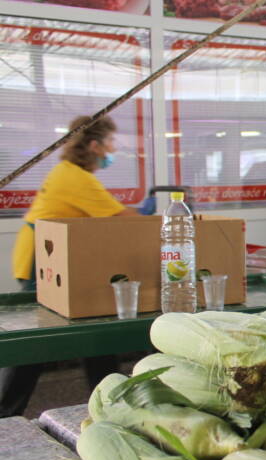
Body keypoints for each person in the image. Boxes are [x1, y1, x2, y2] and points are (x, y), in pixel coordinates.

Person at [3, 115, 154, 418]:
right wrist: (151, 215)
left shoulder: (70, 173)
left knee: (91, 327)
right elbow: (119, 218)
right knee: (39, 339)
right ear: (94, 144)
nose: (112, 149)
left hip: (57, 257)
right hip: (44, 259)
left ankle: (109, 400)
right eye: (110, 142)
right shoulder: (74, 177)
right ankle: (6, 412)